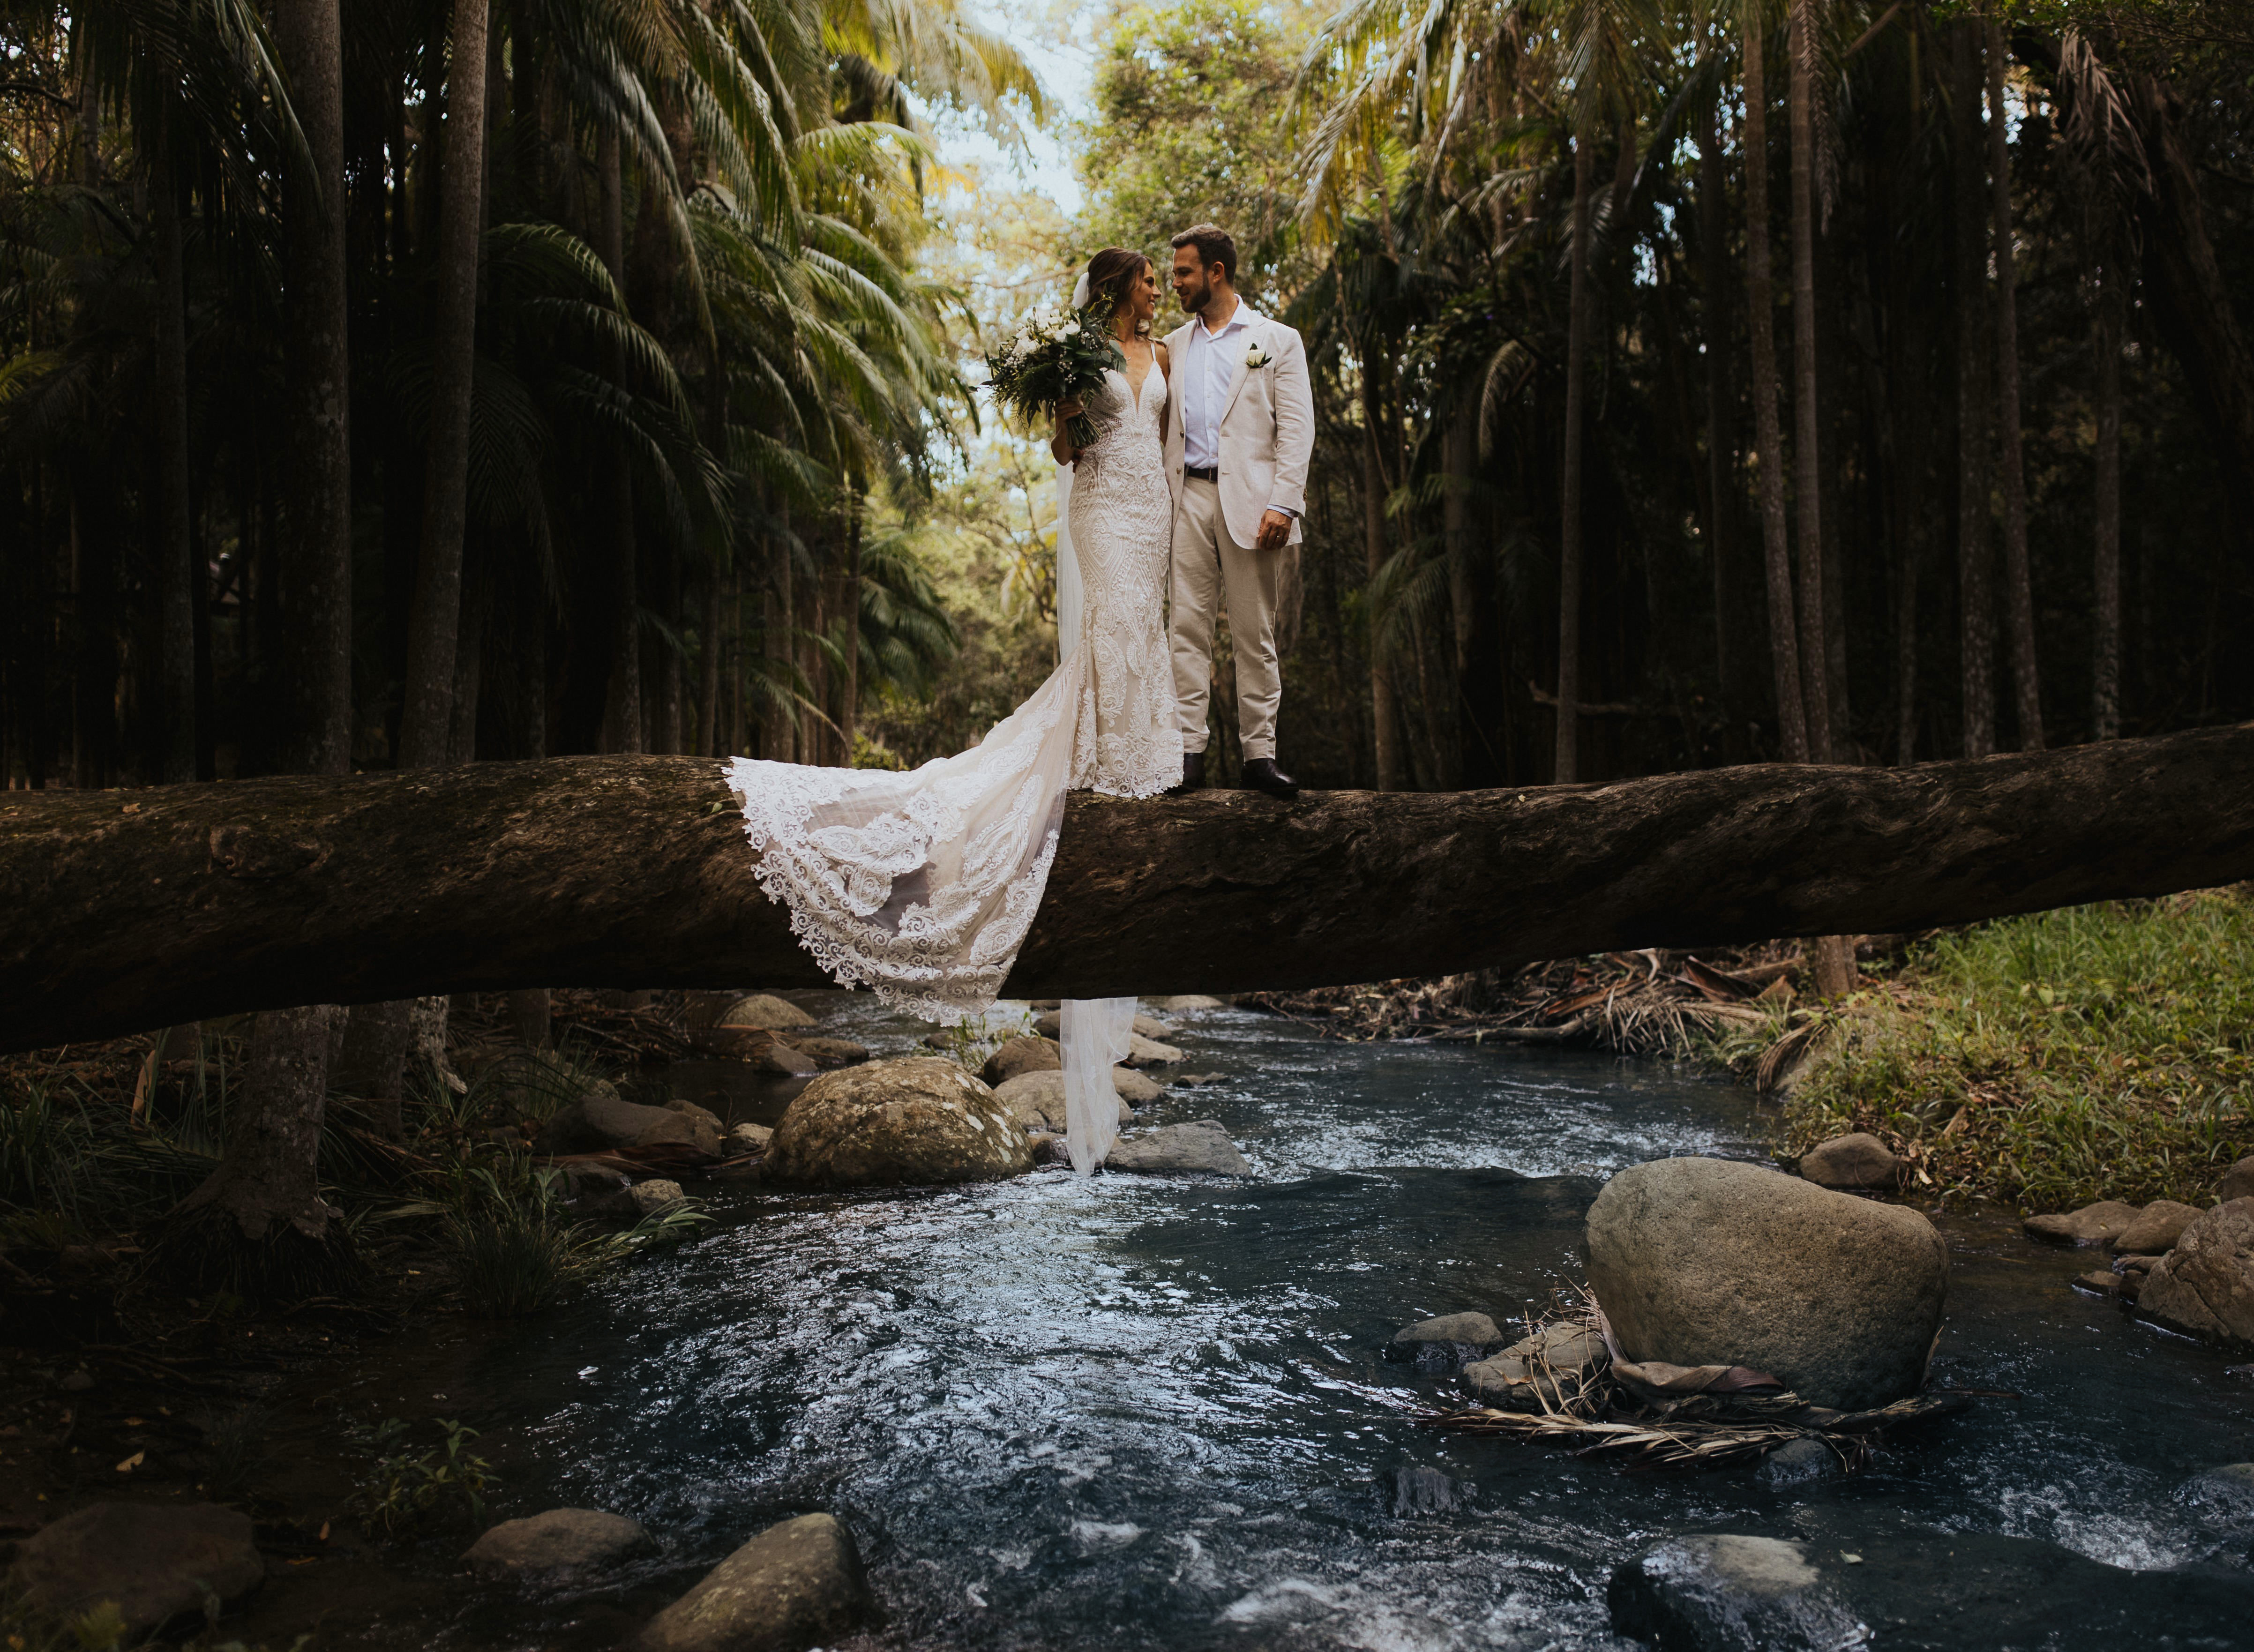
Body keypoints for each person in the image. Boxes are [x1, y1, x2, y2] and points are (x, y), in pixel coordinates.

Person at [724, 249, 1176, 1175]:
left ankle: (1133, 764)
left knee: (1145, 628)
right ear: (1116, 287)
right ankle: (1101, 766)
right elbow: (1061, 451)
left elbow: (1167, 443)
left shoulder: (1163, 358)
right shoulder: (1081, 362)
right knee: (1113, 623)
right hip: (1100, 505)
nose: (1157, 290)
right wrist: (1070, 425)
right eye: (1145, 279)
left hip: (1154, 506)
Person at [1160, 224, 1317, 799]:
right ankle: (1186, 754)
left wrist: (1285, 502)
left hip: (1254, 505)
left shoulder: (1278, 340)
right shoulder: (1174, 346)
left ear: (1215, 273)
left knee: (1255, 634)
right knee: (1187, 629)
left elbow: (1298, 428)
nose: (1174, 283)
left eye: (1183, 272)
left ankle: (1260, 757)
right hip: (1189, 498)